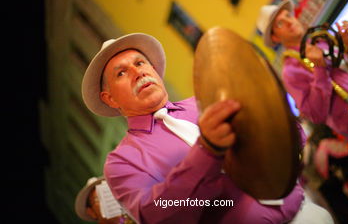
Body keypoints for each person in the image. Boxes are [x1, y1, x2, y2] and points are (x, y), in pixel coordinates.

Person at [81, 33, 334, 223]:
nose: (138, 73)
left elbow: (281, 134)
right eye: (121, 74)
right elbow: (156, 215)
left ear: (154, 70)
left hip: (308, 212)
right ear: (110, 98)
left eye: (140, 63)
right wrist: (207, 150)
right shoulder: (120, 163)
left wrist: (282, 131)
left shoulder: (204, 101)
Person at [256, 0, 348, 190]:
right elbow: (315, 114)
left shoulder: (323, 39)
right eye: (279, 23)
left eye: (287, 15)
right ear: (275, 38)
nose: (289, 21)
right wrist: (319, 69)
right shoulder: (290, 71)